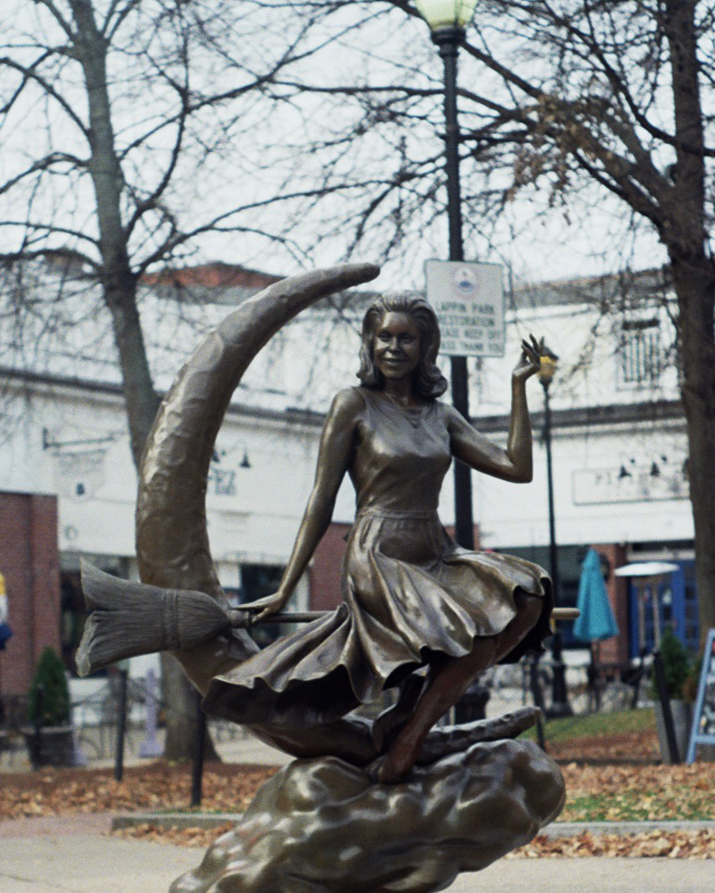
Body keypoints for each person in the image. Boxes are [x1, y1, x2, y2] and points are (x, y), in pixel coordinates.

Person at [202, 292, 552, 781]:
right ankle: (407, 742)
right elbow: (321, 500)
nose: (392, 347)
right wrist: (286, 586)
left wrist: (518, 387)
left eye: (405, 338)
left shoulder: (440, 415)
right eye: (383, 336)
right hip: (379, 553)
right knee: (468, 637)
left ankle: (410, 718)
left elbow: (517, 468)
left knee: (529, 595)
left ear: (425, 347)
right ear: (369, 342)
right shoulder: (353, 404)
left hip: (436, 549)